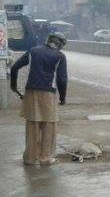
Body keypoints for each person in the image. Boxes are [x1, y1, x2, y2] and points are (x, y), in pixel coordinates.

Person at [10, 33, 68, 167]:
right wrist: (62, 98)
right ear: (60, 44)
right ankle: (46, 158)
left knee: (32, 125)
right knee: (48, 125)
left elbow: (14, 67)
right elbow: (62, 79)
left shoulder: (33, 51)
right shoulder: (60, 56)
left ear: (48, 40)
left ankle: (30, 158)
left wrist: (14, 86)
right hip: (48, 93)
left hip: (31, 92)